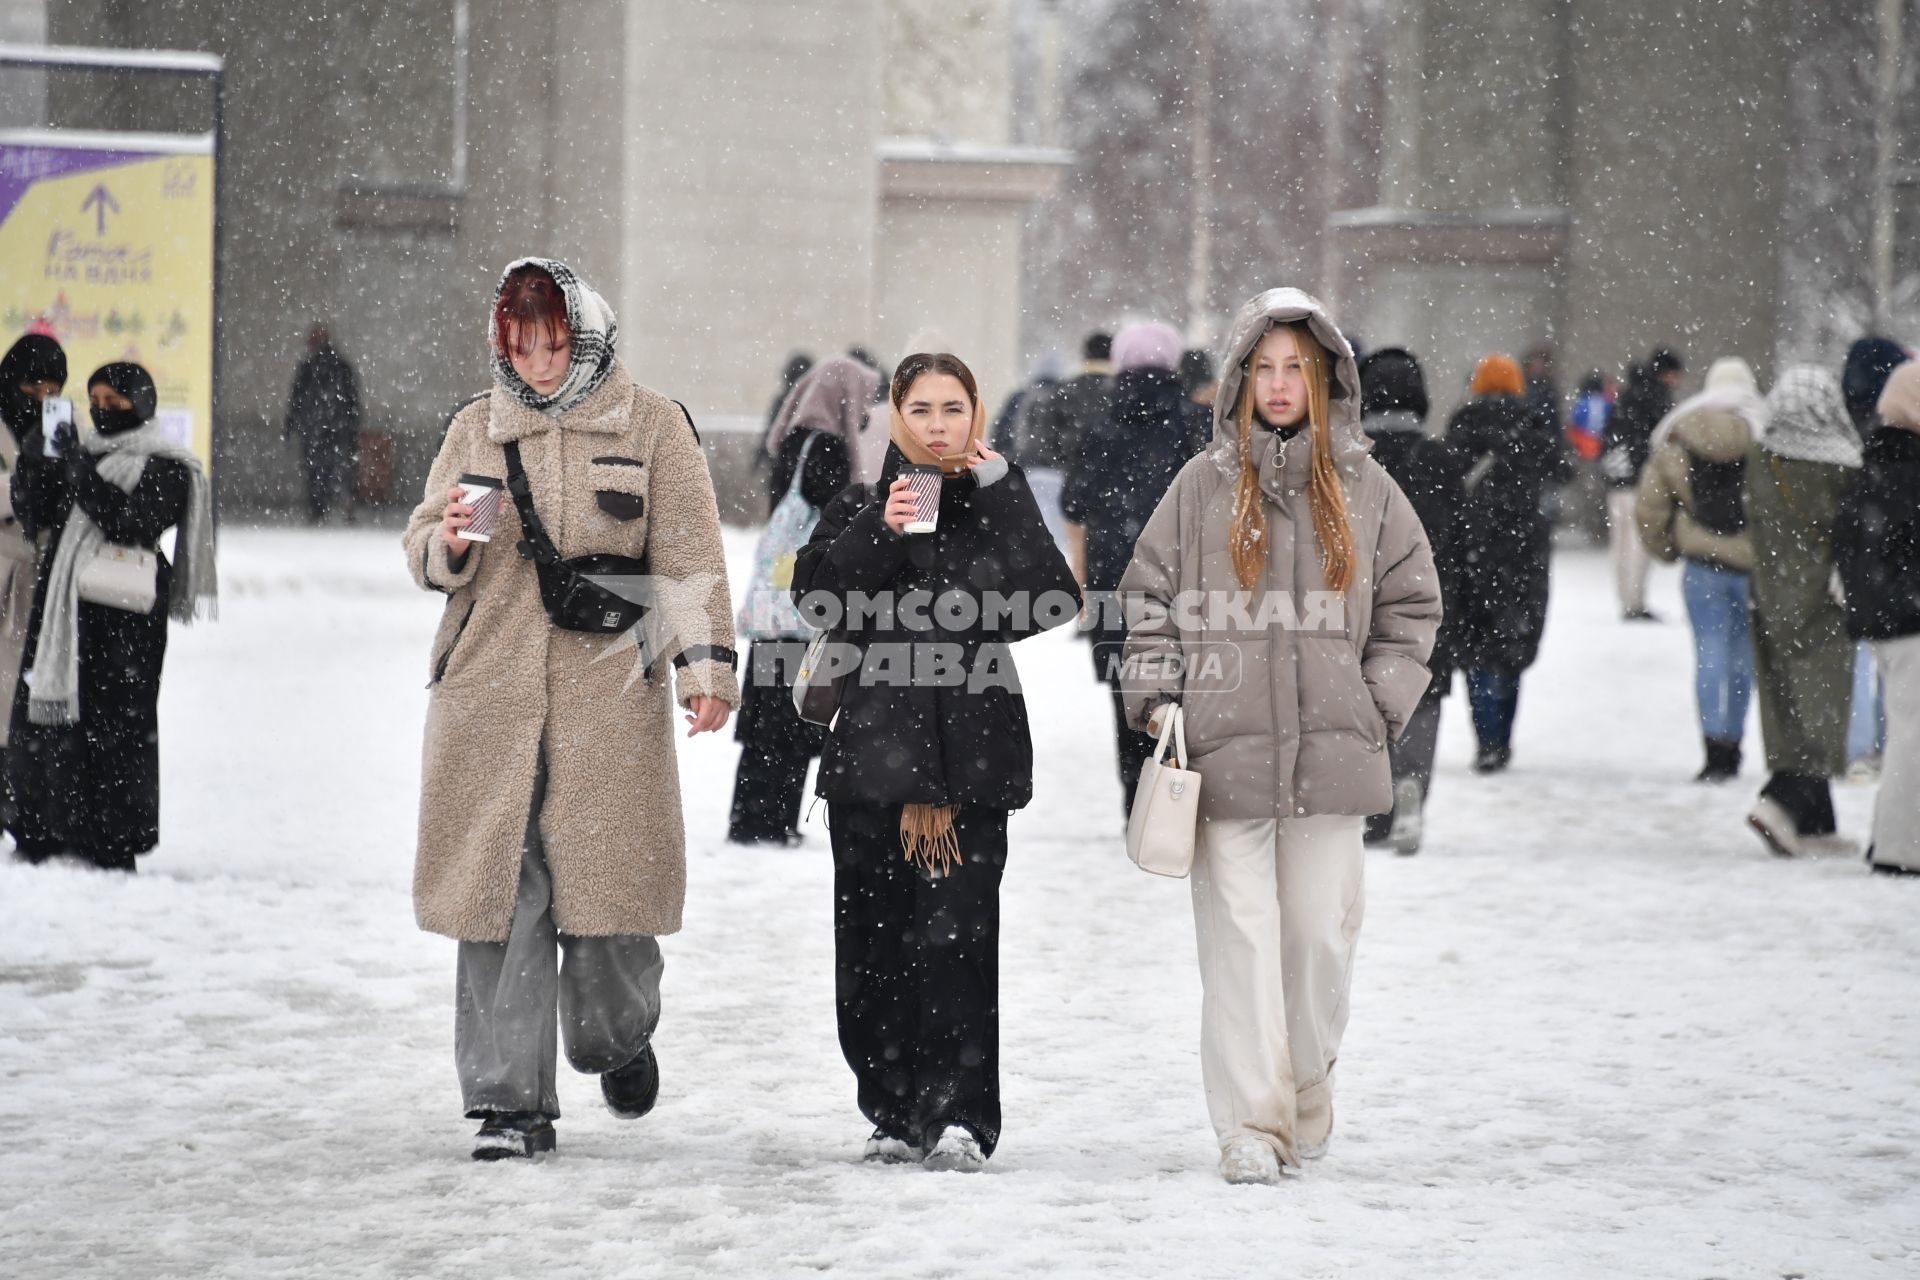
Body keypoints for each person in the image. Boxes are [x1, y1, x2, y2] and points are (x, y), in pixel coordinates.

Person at [403, 258, 739, 1161]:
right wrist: (447, 543)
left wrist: (704, 669)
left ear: (588, 338)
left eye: (555, 344)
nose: (540, 363)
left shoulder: (655, 425)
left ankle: (618, 1039)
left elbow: (687, 554)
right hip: (488, 693)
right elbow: (423, 543)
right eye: (523, 345)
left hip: (609, 699)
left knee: (607, 907)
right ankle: (510, 1106)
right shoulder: (477, 426)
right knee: (499, 899)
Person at [1120, 289, 1440, 1184]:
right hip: (1222, 756)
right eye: (1262, 368)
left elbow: (1414, 605)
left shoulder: (1370, 488)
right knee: (1240, 946)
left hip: (1336, 756)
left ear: (1327, 376)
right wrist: (1159, 698)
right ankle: (1250, 1127)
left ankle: (1306, 1089)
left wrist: (1376, 706)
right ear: (1238, 380)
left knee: (1317, 941)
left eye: (1295, 367)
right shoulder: (1200, 488)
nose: (1278, 383)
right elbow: (1145, 596)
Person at [790, 352, 1078, 1172]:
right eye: (922, 409)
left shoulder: (996, 506)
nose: (939, 424)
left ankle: (958, 1117)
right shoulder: (856, 499)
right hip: (871, 766)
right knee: (872, 950)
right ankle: (888, 1107)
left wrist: (1006, 492)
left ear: (976, 416)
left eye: (955, 408)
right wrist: (881, 525)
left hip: (970, 765)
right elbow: (814, 596)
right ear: (897, 417)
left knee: (958, 945)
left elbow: (1050, 601)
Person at [8, 361, 215, 871]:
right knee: (53, 721)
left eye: (114, 400)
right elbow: (38, 518)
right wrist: (35, 466)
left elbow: (134, 520)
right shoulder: (82, 452)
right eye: (94, 399)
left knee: (118, 730)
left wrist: (82, 475)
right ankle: (46, 830)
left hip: (125, 621)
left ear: (141, 402)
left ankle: (113, 839)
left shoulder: (167, 463)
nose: (102, 409)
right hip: (64, 607)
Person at [727, 356, 879, 846]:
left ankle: (752, 819)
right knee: (789, 717)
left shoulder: (791, 438)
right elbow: (834, 513)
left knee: (766, 719)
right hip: (796, 601)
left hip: (777, 596)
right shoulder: (828, 447)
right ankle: (771, 823)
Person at [1062, 320, 1210, 816]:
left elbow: (1073, 500)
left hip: (1116, 583)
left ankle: (1136, 800)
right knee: (1188, 691)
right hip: (1184, 585)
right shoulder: (1197, 424)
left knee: (1127, 695)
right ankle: (1176, 795)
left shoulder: (1101, 428)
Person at [1742, 366, 1859, 860]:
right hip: (1822, 602)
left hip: (1770, 597)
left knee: (1788, 707)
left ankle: (1815, 825)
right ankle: (1780, 800)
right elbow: (1853, 531)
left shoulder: (1760, 458)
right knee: (1823, 712)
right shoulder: (1845, 465)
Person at [1635, 358, 1767, 782]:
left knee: (1709, 655)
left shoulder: (1681, 429)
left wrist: (1667, 548)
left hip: (1702, 564)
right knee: (1744, 659)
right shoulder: (1766, 430)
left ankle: (1712, 750)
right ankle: (1734, 745)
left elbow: (1651, 503)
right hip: (1751, 566)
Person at [1356, 346, 1463, 853]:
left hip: (1360, 602)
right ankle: (1412, 784)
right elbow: (1465, 542)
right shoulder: (1441, 458)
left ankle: (1374, 807)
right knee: (1424, 695)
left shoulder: (1348, 461)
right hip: (1428, 601)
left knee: (1361, 697)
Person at [1448, 353, 1573, 773]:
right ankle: (1502, 737)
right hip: (1525, 550)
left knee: (1477, 644)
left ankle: (1484, 738)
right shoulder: (1534, 423)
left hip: (1474, 547)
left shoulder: (1464, 424)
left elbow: (1450, 480)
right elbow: (1563, 469)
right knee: (1512, 646)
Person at [1834, 361, 1920, 874]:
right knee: (1911, 737)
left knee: (1904, 732)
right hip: (1910, 619)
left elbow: (1855, 546)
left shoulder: (1874, 460)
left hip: (1886, 619)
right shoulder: (1908, 466)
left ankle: (1890, 837)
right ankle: (1898, 846)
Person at [0, 334, 65, 837]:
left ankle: (28, 798)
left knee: (31, 697)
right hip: (4, 576)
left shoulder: (61, 433)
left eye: (52, 387)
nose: (42, 398)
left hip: (44, 581)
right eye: (31, 386)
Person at [1839, 337, 1908, 775]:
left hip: (1858, 562)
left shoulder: (1844, 423)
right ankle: (1885, 744)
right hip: (1899, 569)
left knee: (1862, 659)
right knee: (1894, 668)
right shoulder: (1899, 428)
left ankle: (1858, 747)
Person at [1603, 347, 1685, 620]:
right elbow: (1660, 441)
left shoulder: (1625, 395)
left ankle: (1624, 599)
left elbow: (1610, 436)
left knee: (1620, 543)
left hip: (1617, 480)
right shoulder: (1656, 398)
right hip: (1640, 481)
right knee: (1639, 543)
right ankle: (1635, 602)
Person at [1014, 331, 1114, 549]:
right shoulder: (1120, 392)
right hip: (1111, 488)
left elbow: (1047, 441)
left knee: (1072, 556)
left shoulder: (1064, 392)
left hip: (1069, 484)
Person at [283, 324, 362, 525]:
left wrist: (291, 424)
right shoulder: (339, 365)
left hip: (315, 427)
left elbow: (297, 398)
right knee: (339, 468)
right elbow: (352, 398)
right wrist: (352, 424)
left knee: (316, 470)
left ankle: (318, 509)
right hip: (336, 426)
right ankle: (343, 505)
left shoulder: (309, 366)